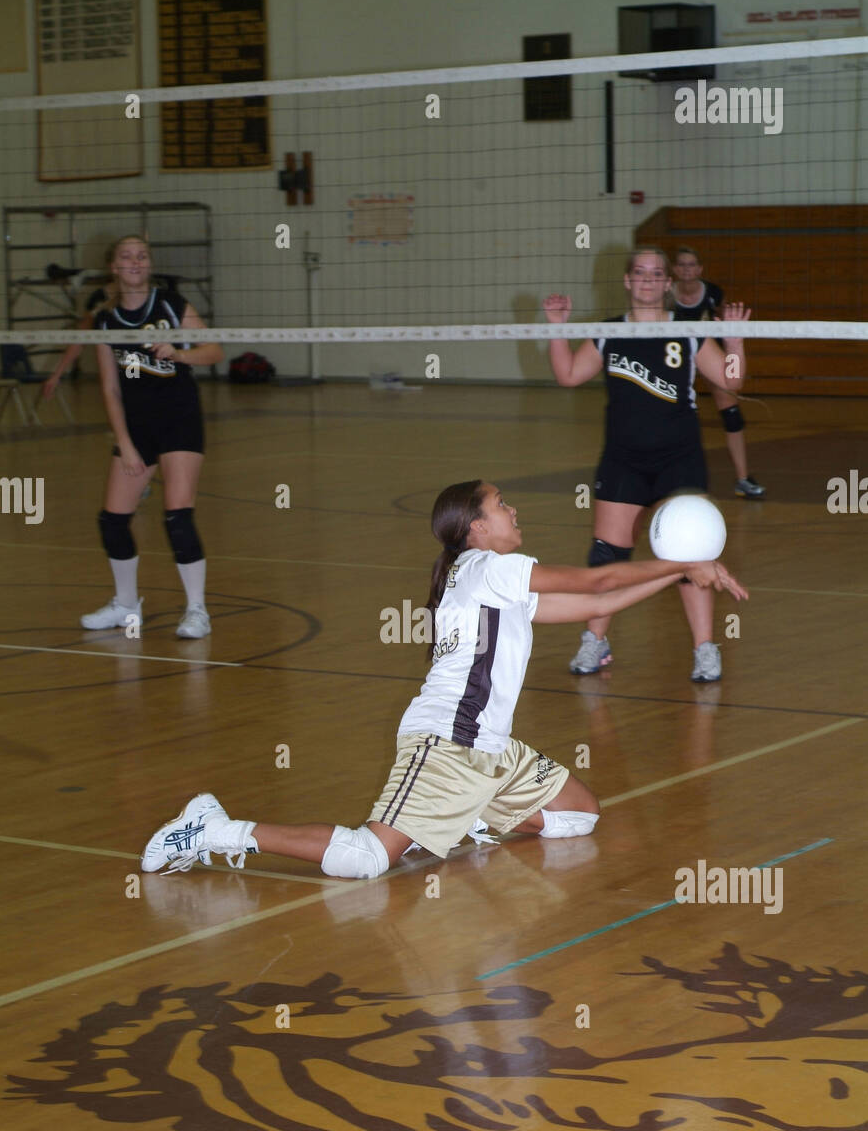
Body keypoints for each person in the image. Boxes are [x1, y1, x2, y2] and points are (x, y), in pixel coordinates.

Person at [141, 479, 747, 878]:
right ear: (477, 528)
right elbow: (596, 584)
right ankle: (214, 828)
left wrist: (679, 578)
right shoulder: (487, 566)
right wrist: (680, 562)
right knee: (365, 858)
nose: (514, 510)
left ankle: (466, 816)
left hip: (489, 748)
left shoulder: (491, 577)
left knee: (576, 817)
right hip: (448, 744)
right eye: (501, 504)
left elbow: (592, 609)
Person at [543, 246, 750, 682]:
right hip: (623, 459)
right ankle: (595, 643)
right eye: (641, 273)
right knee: (607, 554)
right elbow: (569, 376)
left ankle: (705, 649)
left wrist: (734, 342)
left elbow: (730, 379)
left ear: (668, 284)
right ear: (627, 280)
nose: (648, 280)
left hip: (680, 459)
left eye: (657, 274)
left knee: (691, 553)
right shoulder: (607, 332)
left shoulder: (688, 330)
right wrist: (557, 329)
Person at [82, 235, 223, 638]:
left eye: (141, 256)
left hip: (180, 419)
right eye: (126, 256)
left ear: (149, 264)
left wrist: (180, 353)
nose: (134, 261)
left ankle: (197, 611)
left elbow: (213, 350)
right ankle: (127, 605)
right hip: (137, 427)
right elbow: (109, 389)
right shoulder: (105, 321)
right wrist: (124, 443)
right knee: (112, 521)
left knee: (177, 516)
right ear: (114, 266)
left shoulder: (171, 305)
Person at [671, 245, 765, 500]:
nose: (687, 269)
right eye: (682, 264)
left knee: (731, 414)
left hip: (706, 353)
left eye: (691, 265)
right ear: (674, 269)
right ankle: (669, 477)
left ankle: (743, 479)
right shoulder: (666, 294)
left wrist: (731, 349)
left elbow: (725, 323)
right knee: (671, 413)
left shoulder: (712, 293)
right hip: (674, 360)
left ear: (699, 269)